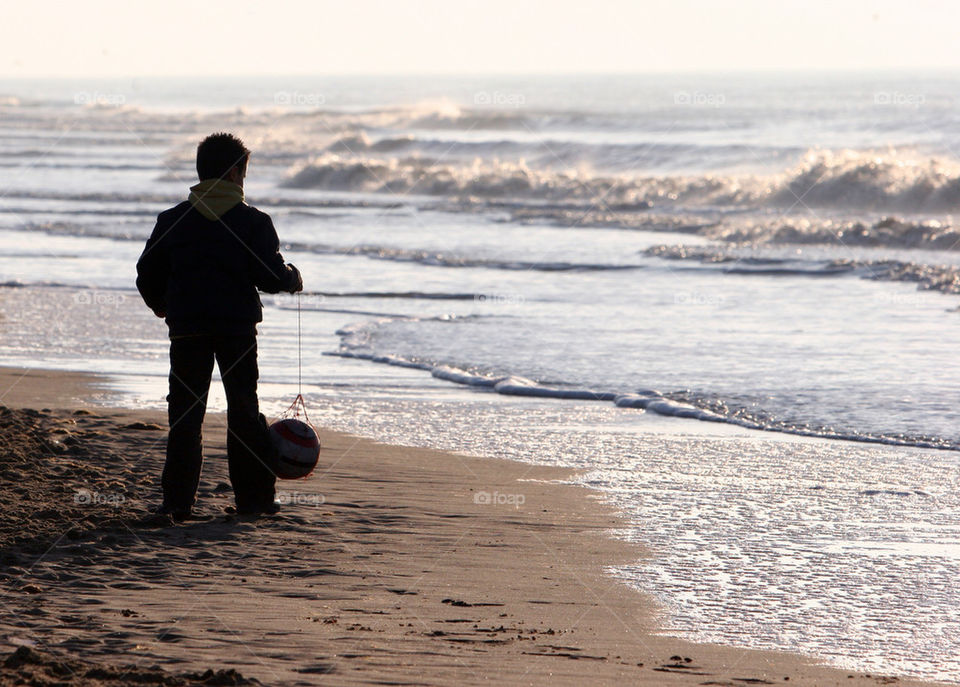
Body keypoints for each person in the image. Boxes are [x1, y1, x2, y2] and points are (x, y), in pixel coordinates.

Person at [136, 132, 302, 520]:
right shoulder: (252, 221)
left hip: (187, 327)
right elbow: (270, 276)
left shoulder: (173, 219)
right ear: (233, 174)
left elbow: (146, 273)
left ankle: (177, 503)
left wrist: (163, 307)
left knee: (185, 414)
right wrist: (294, 277)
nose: (244, 180)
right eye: (243, 172)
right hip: (236, 329)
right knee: (244, 411)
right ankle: (253, 501)